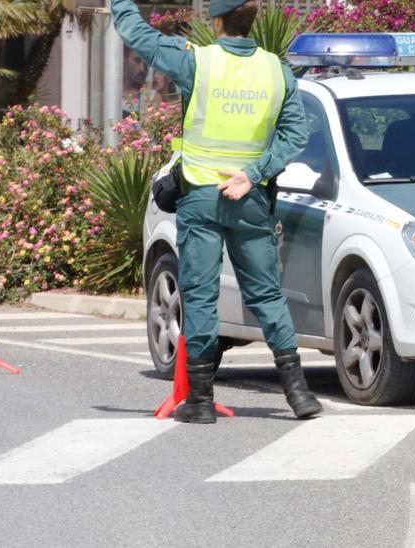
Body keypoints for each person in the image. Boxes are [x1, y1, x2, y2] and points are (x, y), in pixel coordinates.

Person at [111, 0, 320, 423]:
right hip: (250, 199)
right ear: (255, 19)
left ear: (217, 20)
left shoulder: (198, 63)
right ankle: (299, 394)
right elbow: (297, 131)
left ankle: (202, 401)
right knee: (266, 294)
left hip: (202, 197)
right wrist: (253, 172)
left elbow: (137, 34)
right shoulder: (276, 71)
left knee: (201, 295)